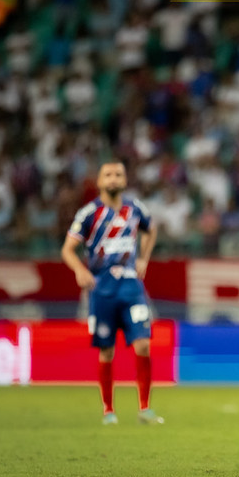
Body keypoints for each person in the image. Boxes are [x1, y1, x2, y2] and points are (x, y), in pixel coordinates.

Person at [61, 161, 163, 426]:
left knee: (143, 344)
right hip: (102, 289)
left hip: (131, 287)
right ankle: (108, 410)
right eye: (108, 174)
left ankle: (145, 408)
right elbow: (67, 249)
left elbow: (151, 229)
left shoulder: (135, 208)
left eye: (118, 174)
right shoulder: (89, 213)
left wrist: (144, 259)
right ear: (99, 181)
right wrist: (79, 271)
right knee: (106, 351)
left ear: (125, 179)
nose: (114, 178)